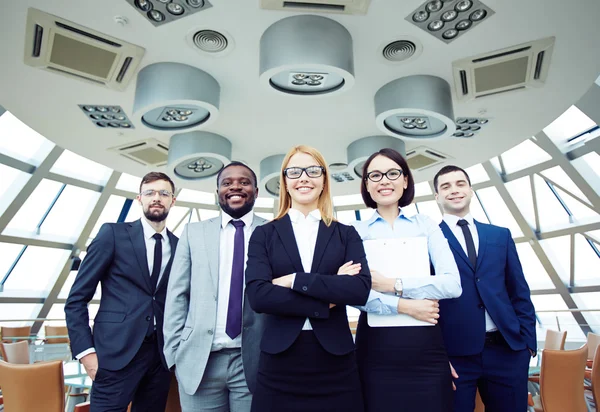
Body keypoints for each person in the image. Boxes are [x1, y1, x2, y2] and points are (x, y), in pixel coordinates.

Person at [244, 145, 371, 412]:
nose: (304, 177)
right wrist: (328, 295)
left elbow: (358, 290)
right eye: (295, 171)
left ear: (324, 180)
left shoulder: (346, 234)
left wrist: (293, 280)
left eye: (313, 170)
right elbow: (258, 295)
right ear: (285, 182)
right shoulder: (263, 235)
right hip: (279, 363)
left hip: (336, 362)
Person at [351, 148, 462, 412]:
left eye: (392, 173)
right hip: (375, 352)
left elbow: (452, 284)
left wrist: (392, 284)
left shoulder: (425, 225)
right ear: (366, 185)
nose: (384, 180)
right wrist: (406, 306)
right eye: (374, 175)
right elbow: (354, 293)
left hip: (425, 349)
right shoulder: (354, 232)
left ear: (405, 180)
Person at [65, 172, 178, 412]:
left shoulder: (180, 245)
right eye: (150, 193)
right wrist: (86, 353)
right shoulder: (113, 235)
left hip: (160, 356)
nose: (156, 198)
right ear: (140, 198)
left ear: (172, 200)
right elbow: (76, 299)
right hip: (114, 355)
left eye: (163, 193)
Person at [163, 162, 266, 412]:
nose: (235, 187)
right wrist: (175, 355)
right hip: (199, 361)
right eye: (227, 183)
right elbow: (177, 295)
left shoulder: (273, 231)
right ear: (217, 191)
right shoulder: (193, 232)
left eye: (244, 182)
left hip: (254, 362)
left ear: (256, 190)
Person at [433, 165, 536, 412]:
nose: (454, 190)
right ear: (436, 196)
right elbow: (427, 300)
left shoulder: (500, 235)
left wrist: (527, 343)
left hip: (507, 351)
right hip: (455, 357)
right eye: (445, 186)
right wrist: (436, 357)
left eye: (460, 184)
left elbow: (518, 291)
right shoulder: (430, 238)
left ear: (470, 190)